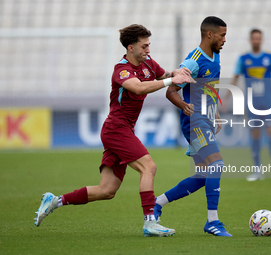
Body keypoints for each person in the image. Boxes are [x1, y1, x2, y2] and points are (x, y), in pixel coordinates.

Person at [34, 24, 192, 237]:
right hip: (116, 128)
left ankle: (55, 201)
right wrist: (171, 80)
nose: (148, 50)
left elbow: (163, 73)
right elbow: (138, 87)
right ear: (130, 47)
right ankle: (150, 222)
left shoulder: (148, 64)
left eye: (149, 45)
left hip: (122, 129)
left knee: (107, 190)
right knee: (149, 167)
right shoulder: (122, 69)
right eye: (144, 46)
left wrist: (177, 71)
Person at [154, 16, 232, 237]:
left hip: (204, 120)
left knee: (203, 176)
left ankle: (157, 203)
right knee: (216, 164)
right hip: (194, 122)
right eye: (222, 35)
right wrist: (184, 105)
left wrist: (214, 111)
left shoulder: (215, 55)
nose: (225, 39)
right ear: (209, 34)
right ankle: (213, 222)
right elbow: (170, 91)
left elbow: (207, 88)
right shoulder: (193, 61)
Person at [223, 29, 271, 181]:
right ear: (250, 40)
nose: (256, 41)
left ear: (262, 40)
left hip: (268, 102)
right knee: (255, 135)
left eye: (258, 38)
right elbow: (235, 79)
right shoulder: (243, 59)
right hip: (251, 102)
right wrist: (226, 98)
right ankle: (257, 170)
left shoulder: (270, 57)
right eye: (254, 38)